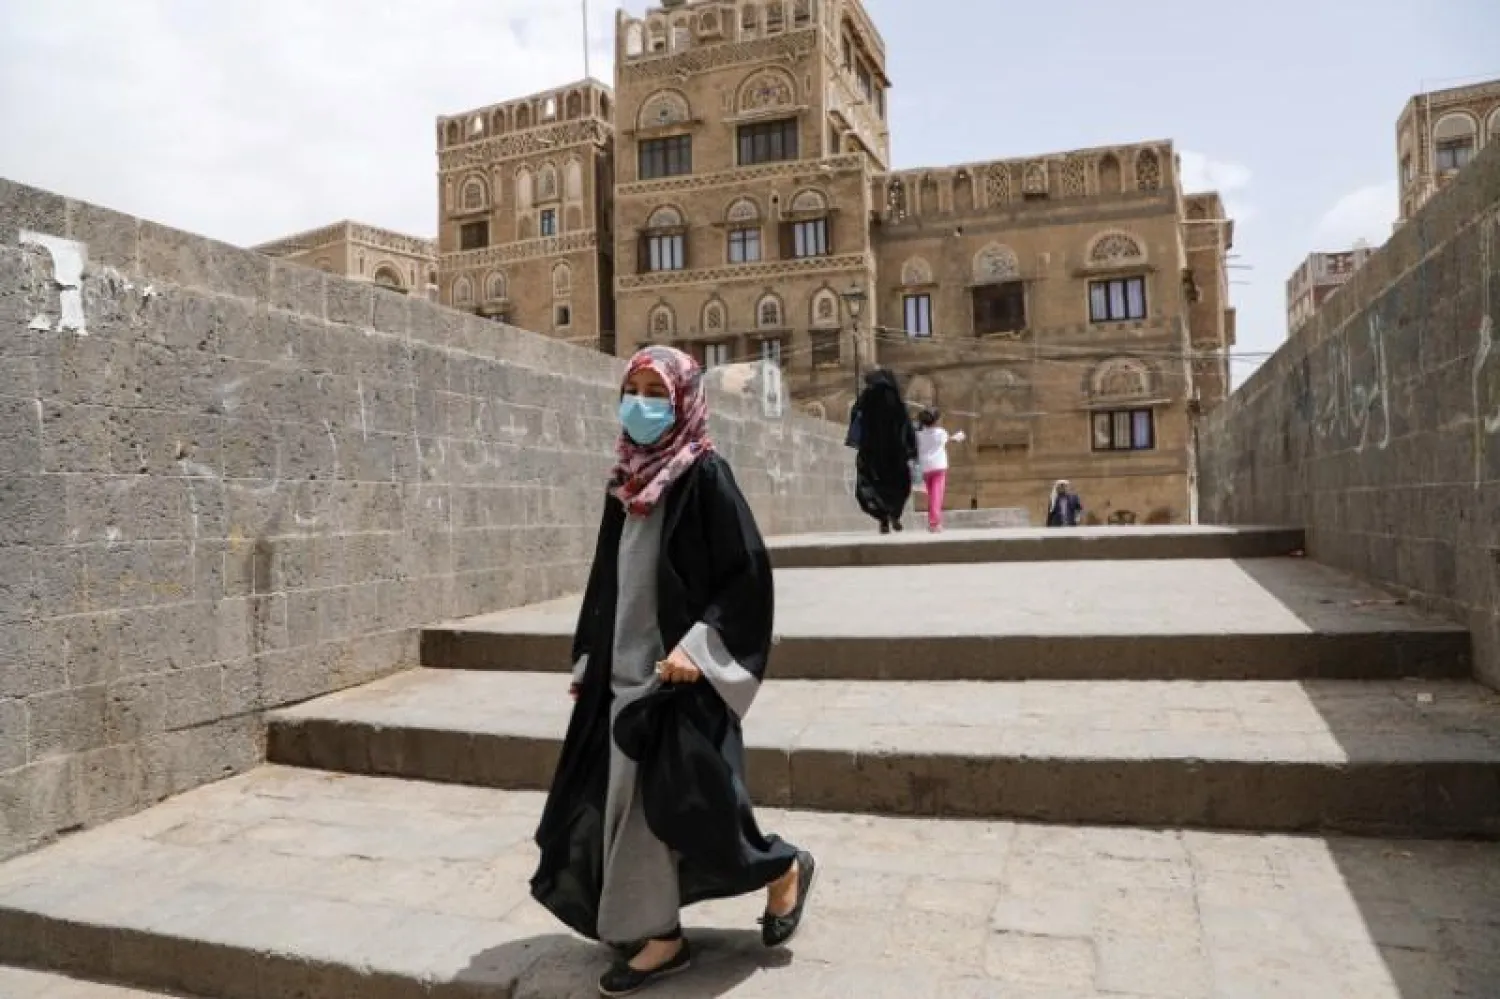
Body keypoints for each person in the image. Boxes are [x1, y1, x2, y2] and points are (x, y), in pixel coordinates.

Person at [530, 346, 816, 998]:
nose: (641, 403)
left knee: (693, 808)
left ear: (683, 399)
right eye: (631, 389)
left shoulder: (705, 476)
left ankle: (772, 872)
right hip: (621, 676)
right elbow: (606, 581)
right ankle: (661, 930)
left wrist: (701, 647)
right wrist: (588, 656)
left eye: (654, 391)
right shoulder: (625, 481)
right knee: (636, 807)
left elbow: (746, 576)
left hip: (676, 679)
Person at [847, 368, 917, 534]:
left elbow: (855, 416)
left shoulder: (866, 396)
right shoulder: (895, 398)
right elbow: (906, 424)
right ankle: (894, 514)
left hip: (872, 453)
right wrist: (911, 448)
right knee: (898, 487)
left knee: (871, 486)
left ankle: (882, 518)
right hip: (895, 454)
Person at [914, 408, 965, 533]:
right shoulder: (940, 432)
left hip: (925, 468)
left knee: (932, 495)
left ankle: (933, 522)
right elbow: (950, 440)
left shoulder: (918, 434)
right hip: (938, 467)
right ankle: (934, 523)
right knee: (936, 496)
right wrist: (958, 437)